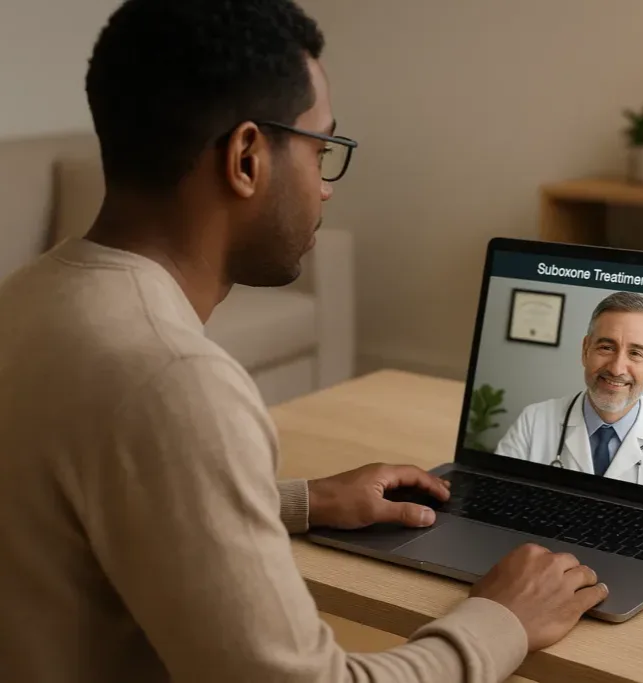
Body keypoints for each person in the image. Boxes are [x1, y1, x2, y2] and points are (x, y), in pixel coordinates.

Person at [0, 1, 608, 681]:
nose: (325, 188)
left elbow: (88, 507)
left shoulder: (27, 296)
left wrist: (301, 501)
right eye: (323, 150)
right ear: (247, 157)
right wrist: (502, 619)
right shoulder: (173, 378)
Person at [495, 291, 643, 500]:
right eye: (606, 347)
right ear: (585, 351)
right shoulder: (533, 421)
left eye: (635, 353)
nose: (617, 368)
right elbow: (498, 500)